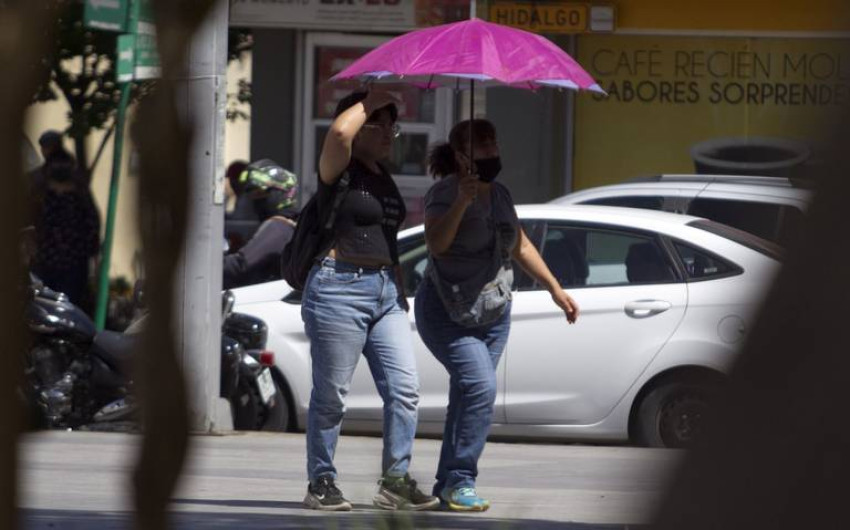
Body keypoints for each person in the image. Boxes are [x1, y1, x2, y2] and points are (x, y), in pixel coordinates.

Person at [414, 119, 580, 512]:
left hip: (493, 311)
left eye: (494, 144)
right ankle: (460, 480)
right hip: (446, 312)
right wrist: (461, 202)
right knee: (481, 388)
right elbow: (436, 244)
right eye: (482, 146)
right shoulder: (444, 193)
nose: (492, 152)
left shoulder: (501, 195)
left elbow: (519, 244)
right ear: (461, 156)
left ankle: (450, 483)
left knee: (469, 394)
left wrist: (555, 288)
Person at [300, 89, 439, 512]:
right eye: (380, 124)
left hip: (384, 292)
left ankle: (395, 482)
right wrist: (370, 98)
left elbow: (389, 240)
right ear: (359, 125)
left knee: (405, 390)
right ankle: (320, 482)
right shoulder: (337, 170)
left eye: (392, 125)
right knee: (332, 395)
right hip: (337, 286)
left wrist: (397, 287)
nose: (389, 134)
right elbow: (338, 131)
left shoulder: (382, 176)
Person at [30, 150, 101, 313]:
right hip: (46, 263)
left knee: (68, 309)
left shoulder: (80, 197)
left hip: (72, 266)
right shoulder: (41, 196)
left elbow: (92, 229)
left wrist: (93, 257)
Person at [223, 159, 298, 289]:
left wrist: (205, 266)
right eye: (251, 194)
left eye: (259, 192)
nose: (254, 199)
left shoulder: (279, 226)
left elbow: (241, 265)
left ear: (279, 192)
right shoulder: (289, 225)